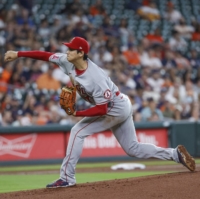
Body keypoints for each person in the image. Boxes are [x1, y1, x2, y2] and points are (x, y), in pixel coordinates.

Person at [4, 36, 195, 188]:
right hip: (121, 103)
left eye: (71, 49)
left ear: (80, 53)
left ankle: (67, 178)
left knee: (77, 131)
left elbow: (102, 109)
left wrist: (76, 114)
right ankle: (175, 154)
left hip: (115, 109)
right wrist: (19, 54)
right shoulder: (67, 61)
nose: (66, 51)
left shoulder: (95, 77)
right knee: (133, 149)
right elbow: (45, 55)